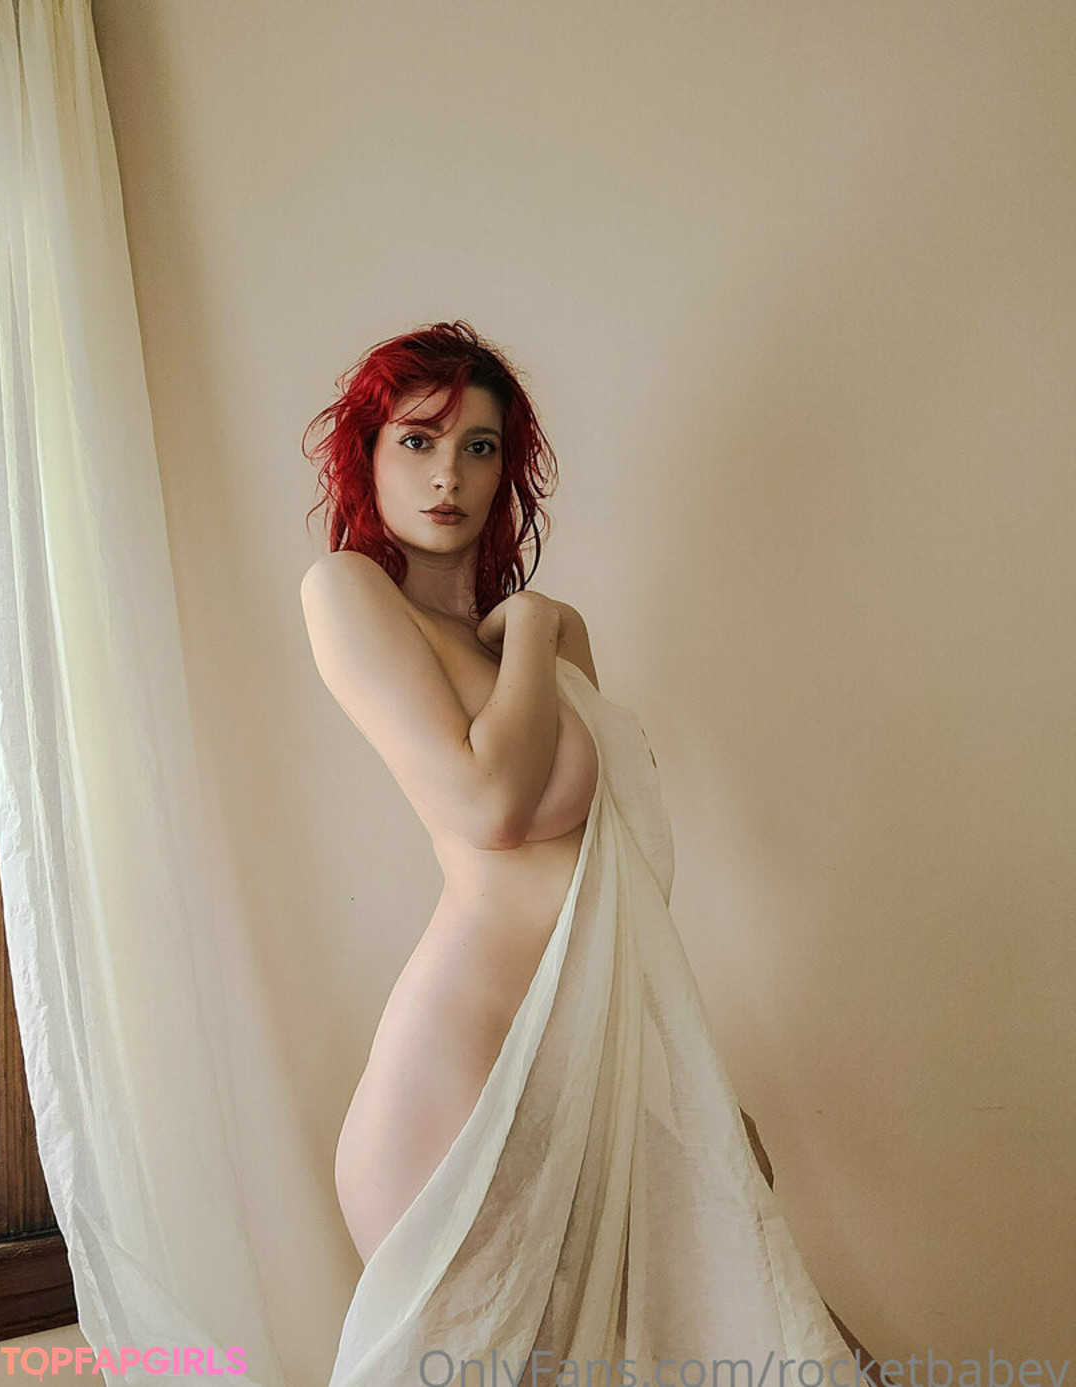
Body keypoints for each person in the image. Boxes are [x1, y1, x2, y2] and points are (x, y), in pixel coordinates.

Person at [300, 321, 887, 1387]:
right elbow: (490, 806)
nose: (448, 474)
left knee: (784, 1339)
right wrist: (530, 624)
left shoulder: (552, 647)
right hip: (462, 1084)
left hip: (587, 1065)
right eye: (417, 441)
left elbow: (622, 879)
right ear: (366, 457)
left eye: (479, 447)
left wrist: (679, 1086)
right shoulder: (352, 594)